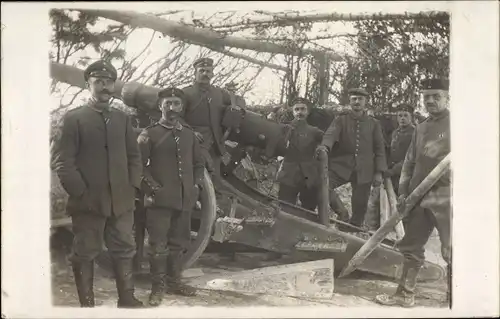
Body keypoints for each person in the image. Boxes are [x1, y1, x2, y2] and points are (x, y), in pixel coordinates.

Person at [53, 60, 144, 308]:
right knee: (85, 252)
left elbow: (134, 157)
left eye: (109, 82)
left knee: (125, 248)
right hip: (88, 202)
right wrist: (81, 193)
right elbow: (62, 162)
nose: (105, 87)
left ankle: (126, 299)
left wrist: (132, 187)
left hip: (122, 201)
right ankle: (88, 306)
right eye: (99, 82)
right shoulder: (74, 119)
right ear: (88, 84)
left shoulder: (122, 119)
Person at [375, 78, 451, 307]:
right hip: (418, 197)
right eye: (426, 96)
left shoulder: (460, 126)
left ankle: (457, 298)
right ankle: (405, 295)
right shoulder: (421, 127)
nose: (430, 101)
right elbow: (408, 163)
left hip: (447, 198)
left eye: (436, 96)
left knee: (452, 249)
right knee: (411, 246)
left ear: (447, 97)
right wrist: (402, 193)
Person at [137, 87, 204, 306]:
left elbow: (198, 164)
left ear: (182, 107)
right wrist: (153, 189)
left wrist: (193, 187)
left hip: (184, 199)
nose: (172, 107)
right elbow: (138, 167)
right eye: (168, 103)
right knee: (158, 246)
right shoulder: (149, 134)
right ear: (160, 106)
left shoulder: (188, 135)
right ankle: (158, 288)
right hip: (159, 201)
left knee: (179, 243)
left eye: (176, 103)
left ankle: (175, 282)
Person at [316, 88, 387, 228]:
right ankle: (342, 213)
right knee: (322, 184)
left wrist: (379, 172)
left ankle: (352, 229)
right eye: (354, 99)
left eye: (360, 99)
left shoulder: (374, 123)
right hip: (342, 166)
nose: (357, 102)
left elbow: (380, 149)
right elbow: (330, 135)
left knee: (360, 205)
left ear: (365, 102)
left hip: (364, 169)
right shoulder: (341, 120)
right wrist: (325, 147)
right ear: (349, 101)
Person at [182, 58, 233, 185]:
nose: (205, 74)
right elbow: (175, 117)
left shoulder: (219, 93)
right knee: (195, 179)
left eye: (208, 71)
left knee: (215, 179)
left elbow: (237, 101)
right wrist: (190, 132)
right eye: (202, 71)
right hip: (194, 143)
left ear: (212, 74)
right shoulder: (185, 93)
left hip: (215, 143)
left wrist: (238, 109)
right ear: (195, 73)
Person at [277, 97, 324, 212]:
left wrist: (322, 149)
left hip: (308, 176)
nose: (299, 112)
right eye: (296, 109)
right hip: (288, 174)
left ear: (307, 112)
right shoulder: (284, 128)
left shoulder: (314, 131)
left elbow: (329, 141)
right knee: (285, 207)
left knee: (309, 209)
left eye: (303, 109)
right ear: (292, 112)